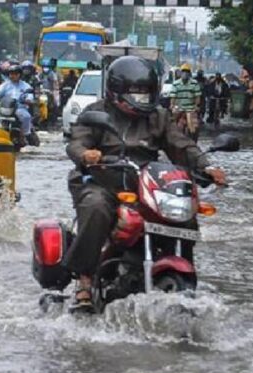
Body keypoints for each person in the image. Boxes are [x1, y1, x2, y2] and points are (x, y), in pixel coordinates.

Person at [64, 56, 226, 312]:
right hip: (102, 179)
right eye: (136, 94)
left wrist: (206, 166)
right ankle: (84, 279)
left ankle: (181, 266)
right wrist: (85, 155)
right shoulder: (96, 113)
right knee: (96, 207)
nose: (142, 100)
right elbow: (76, 142)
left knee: (184, 211)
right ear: (116, 91)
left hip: (143, 183)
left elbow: (181, 145)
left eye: (147, 94)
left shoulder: (158, 117)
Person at [0, 64, 35, 146]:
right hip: (5, 108)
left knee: (26, 116)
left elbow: (30, 95)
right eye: (11, 74)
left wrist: (28, 99)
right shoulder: (5, 85)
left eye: (15, 74)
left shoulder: (25, 86)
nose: (13, 76)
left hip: (19, 108)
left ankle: (27, 134)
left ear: (19, 75)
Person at [169, 63, 202, 141]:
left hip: (191, 108)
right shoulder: (176, 84)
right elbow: (173, 96)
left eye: (187, 72)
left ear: (189, 73)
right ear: (180, 73)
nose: (185, 74)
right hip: (179, 108)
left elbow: (197, 96)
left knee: (195, 127)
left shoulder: (194, 83)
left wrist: (196, 105)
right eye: (183, 72)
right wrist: (172, 105)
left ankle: (194, 142)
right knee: (174, 126)